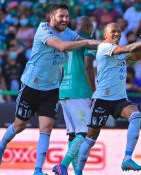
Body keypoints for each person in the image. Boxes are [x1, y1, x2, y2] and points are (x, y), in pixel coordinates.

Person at [0, 4, 98, 175]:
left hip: (51, 89)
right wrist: (87, 41)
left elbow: (88, 45)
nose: (64, 19)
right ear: (51, 17)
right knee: (20, 125)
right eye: (61, 16)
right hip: (31, 86)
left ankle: (37, 170)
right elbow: (62, 46)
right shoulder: (43, 30)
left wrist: (110, 45)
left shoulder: (70, 33)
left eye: (66, 16)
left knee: (46, 128)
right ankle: (2, 144)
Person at [75, 23, 141, 175]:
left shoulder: (119, 50)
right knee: (91, 138)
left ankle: (127, 158)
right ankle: (78, 171)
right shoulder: (104, 47)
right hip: (102, 99)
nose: (117, 34)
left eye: (119, 31)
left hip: (119, 99)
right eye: (113, 31)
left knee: (136, 115)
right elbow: (129, 49)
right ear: (105, 35)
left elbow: (135, 55)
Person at [52, 16, 96, 175]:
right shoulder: (88, 40)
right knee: (85, 133)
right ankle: (63, 165)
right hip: (80, 90)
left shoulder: (66, 39)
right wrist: (93, 90)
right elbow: (88, 65)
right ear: (89, 27)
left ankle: (77, 172)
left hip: (63, 91)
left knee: (73, 136)